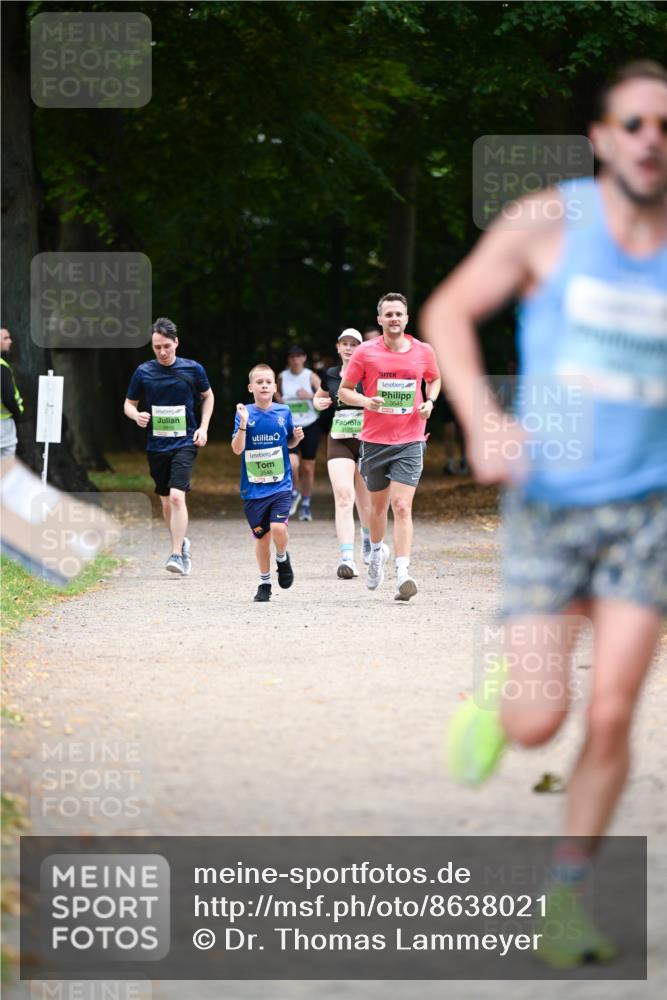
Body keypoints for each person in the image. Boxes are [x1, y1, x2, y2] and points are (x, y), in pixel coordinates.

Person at [421, 60, 667, 967]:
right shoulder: (549, 222)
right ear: (602, 139)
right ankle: (503, 696)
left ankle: (564, 902)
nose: (650, 141)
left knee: (610, 715)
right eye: (633, 124)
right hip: (550, 503)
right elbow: (448, 311)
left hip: (648, 511)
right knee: (537, 722)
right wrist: (483, 420)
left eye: (664, 128)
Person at [339, 293, 442, 601]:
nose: (394, 318)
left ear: (407, 319)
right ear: (380, 320)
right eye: (389, 314)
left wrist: (430, 401)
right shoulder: (366, 353)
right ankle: (374, 556)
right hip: (374, 441)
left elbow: (434, 379)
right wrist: (366, 400)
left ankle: (403, 572)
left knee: (402, 506)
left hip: (410, 439)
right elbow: (345, 391)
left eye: (399, 314)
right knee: (378, 508)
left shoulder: (423, 351)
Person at [124, 317, 214, 575]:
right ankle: (181, 541)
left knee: (177, 496)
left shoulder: (193, 369)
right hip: (156, 445)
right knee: (165, 502)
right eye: (157, 347)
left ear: (176, 342)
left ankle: (177, 554)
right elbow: (128, 404)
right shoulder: (144, 372)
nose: (162, 352)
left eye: (167, 346)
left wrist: (203, 427)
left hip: (185, 441)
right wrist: (136, 415)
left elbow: (208, 396)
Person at [232, 364, 304, 602]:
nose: (264, 385)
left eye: (268, 382)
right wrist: (243, 423)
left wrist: (296, 438)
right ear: (251, 387)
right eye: (259, 382)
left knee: (278, 528)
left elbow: (290, 443)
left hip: (281, 485)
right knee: (262, 539)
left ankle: (282, 558)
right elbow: (237, 449)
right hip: (253, 489)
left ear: (275, 386)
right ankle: (264, 583)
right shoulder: (244, 413)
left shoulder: (283, 412)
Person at [313, 328, 373, 578]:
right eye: (344, 344)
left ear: (361, 348)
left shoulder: (371, 373)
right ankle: (347, 557)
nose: (349, 348)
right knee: (344, 496)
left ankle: (368, 539)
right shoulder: (329, 374)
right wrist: (319, 403)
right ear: (338, 347)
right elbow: (319, 397)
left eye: (354, 344)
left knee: (366, 500)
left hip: (367, 440)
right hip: (339, 439)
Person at [276, 346, 321, 521]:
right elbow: (276, 393)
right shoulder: (282, 376)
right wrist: (279, 399)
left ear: (304, 358)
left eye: (299, 356)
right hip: (290, 425)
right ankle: (295, 490)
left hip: (310, 424)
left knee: (308, 468)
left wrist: (309, 396)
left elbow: (324, 396)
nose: (295, 360)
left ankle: (306, 504)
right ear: (289, 359)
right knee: (292, 464)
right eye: (292, 357)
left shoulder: (310, 375)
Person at [1, 328, 24, 459]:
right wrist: (17, 412)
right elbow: (8, 398)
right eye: (5, 338)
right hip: (3, 426)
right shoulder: (1, 367)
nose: (10, 341)